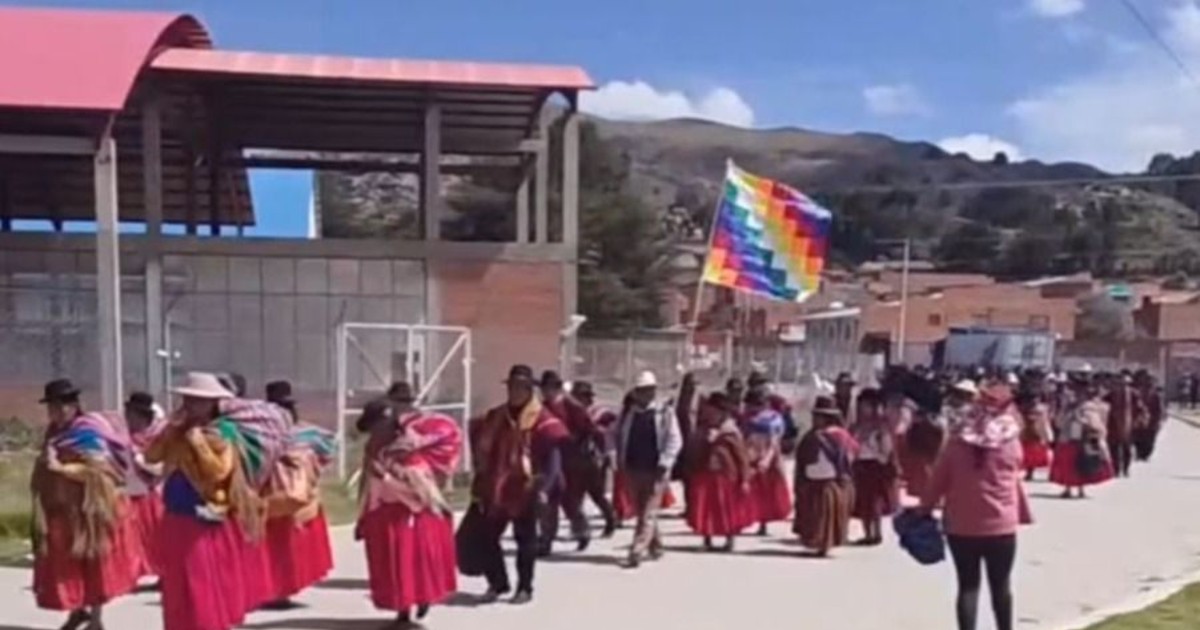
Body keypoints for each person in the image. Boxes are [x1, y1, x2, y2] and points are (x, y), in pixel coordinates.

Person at [145, 372, 270, 630]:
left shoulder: (222, 431)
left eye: (200, 400)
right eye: (189, 399)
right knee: (178, 581)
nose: (192, 405)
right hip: (176, 515)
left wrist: (198, 441)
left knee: (202, 579)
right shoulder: (178, 431)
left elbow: (219, 472)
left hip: (203, 515)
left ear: (214, 403)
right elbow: (152, 456)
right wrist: (170, 430)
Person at [30, 379, 143, 630]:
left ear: (73, 406)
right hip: (63, 509)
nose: (56, 413)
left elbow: (99, 470)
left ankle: (96, 617)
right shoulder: (55, 432)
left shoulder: (87, 431)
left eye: (61, 407)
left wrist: (62, 468)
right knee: (66, 564)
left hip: (90, 510)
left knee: (95, 563)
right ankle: (77, 610)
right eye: (52, 407)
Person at [920, 383, 1032, 630]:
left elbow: (937, 481)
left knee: (968, 586)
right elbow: (1016, 472)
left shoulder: (956, 444)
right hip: (1001, 526)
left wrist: (923, 510)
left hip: (961, 526)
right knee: (1001, 586)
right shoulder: (1011, 445)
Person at [356, 385, 461, 627]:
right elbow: (367, 483)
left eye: (375, 428)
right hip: (383, 513)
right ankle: (402, 609)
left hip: (411, 513)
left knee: (411, 562)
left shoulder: (408, 447)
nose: (373, 434)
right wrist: (363, 514)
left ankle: (421, 598)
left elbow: (419, 486)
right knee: (392, 565)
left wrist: (389, 479)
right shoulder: (373, 449)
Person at [469, 364, 569, 604]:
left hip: (527, 487)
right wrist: (480, 482)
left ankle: (525, 588)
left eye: (521, 387)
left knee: (525, 540)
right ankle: (498, 583)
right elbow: (481, 448)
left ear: (529, 389)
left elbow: (553, 458)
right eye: (512, 387)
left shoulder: (542, 419)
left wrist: (544, 488)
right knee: (486, 537)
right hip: (497, 487)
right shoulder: (495, 417)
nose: (515, 392)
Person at [260, 382, 334, 608]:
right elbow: (326, 455)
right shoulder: (309, 434)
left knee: (276, 543)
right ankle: (280, 590)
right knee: (286, 544)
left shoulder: (262, 432)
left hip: (274, 494)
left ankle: (277, 590)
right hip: (298, 493)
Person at [538, 370, 612, 553]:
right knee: (549, 499)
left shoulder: (571, 406)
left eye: (551, 388)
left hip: (573, 459)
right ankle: (546, 539)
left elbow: (590, 428)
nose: (547, 392)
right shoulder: (542, 408)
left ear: (557, 388)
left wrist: (598, 451)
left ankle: (582, 531)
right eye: (544, 388)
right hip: (550, 457)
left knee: (570, 499)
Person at [615, 370, 683, 567]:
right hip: (633, 468)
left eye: (649, 390)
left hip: (656, 469)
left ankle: (636, 550)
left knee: (647, 511)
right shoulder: (628, 413)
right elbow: (615, 435)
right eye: (642, 390)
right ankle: (656, 545)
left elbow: (674, 439)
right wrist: (615, 456)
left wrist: (666, 461)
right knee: (641, 509)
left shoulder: (664, 413)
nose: (646, 394)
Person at [684, 391, 753, 551]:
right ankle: (707, 538)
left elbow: (741, 457)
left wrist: (744, 479)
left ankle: (729, 539)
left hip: (726, 476)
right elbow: (693, 451)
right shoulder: (703, 430)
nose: (710, 414)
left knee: (726, 508)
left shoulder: (731, 432)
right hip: (705, 473)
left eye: (713, 411)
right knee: (706, 507)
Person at [793, 397, 858, 557]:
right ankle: (815, 541)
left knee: (826, 516)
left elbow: (851, 454)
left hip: (830, 481)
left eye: (819, 417)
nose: (816, 420)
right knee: (814, 515)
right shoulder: (811, 436)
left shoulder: (838, 436)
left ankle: (825, 545)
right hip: (812, 481)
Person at [1049, 376, 1114, 499]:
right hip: (1067, 439)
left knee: (1081, 465)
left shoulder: (1091, 407)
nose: (1078, 394)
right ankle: (1067, 489)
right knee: (1067, 465)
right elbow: (1058, 422)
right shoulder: (1068, 406)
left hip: (1083, 441)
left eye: (1081, 392)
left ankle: (1081, 490)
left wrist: (1083, 421)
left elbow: (1097, 424)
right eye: (1076, 391)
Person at [125, 391, 166, 581]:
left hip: (152, 494)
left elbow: (161, 467)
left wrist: (139, 459)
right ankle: (133, 572)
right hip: (130, 493)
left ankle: (161, 572)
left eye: (133, 414)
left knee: (155, 536)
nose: (129, 418)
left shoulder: (158, 438)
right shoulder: (125, 438)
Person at [851, 388, 899, 546]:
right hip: (860, 465)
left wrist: (879, 457)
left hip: (875, 467)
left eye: (867, 405)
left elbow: (886, 449)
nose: (863, 409)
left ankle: (876, 533)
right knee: (863, 502)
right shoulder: (857, 426)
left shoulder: (880, 428)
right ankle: (867, 533)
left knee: (874, 502)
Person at [741, 389, 792, 536]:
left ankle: (763, 523)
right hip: (750, 456)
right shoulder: (747, 418)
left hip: (768, 459)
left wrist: (766, 459)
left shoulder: (773, 419)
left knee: (766, 493)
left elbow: (774, 442)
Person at [1105, 375, 1142, 478]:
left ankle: (1125, 469)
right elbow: (1103, 403)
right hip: (1113, 425)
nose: (1123, 386)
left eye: (1125, 384)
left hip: (1129, 426)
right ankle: (1116, 469)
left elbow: (1140, 408)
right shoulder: (1112, 394)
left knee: (1127, 450)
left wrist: (1137, 421)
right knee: (1114, 449)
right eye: (1121, 384)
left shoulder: (1134, 394)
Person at [1016, 390, 1053, 482]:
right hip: (1027, 433)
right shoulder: (1023, 409)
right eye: (1032, 398)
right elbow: (1020, 421)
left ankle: (1050, 473)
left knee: (1043, 456)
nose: (1034, 400)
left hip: (1038, 434)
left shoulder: (1043, 409)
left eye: (1036, 398)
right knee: (1028, 456)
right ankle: (1029, 473)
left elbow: (1045, 423)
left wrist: (1047, 435)